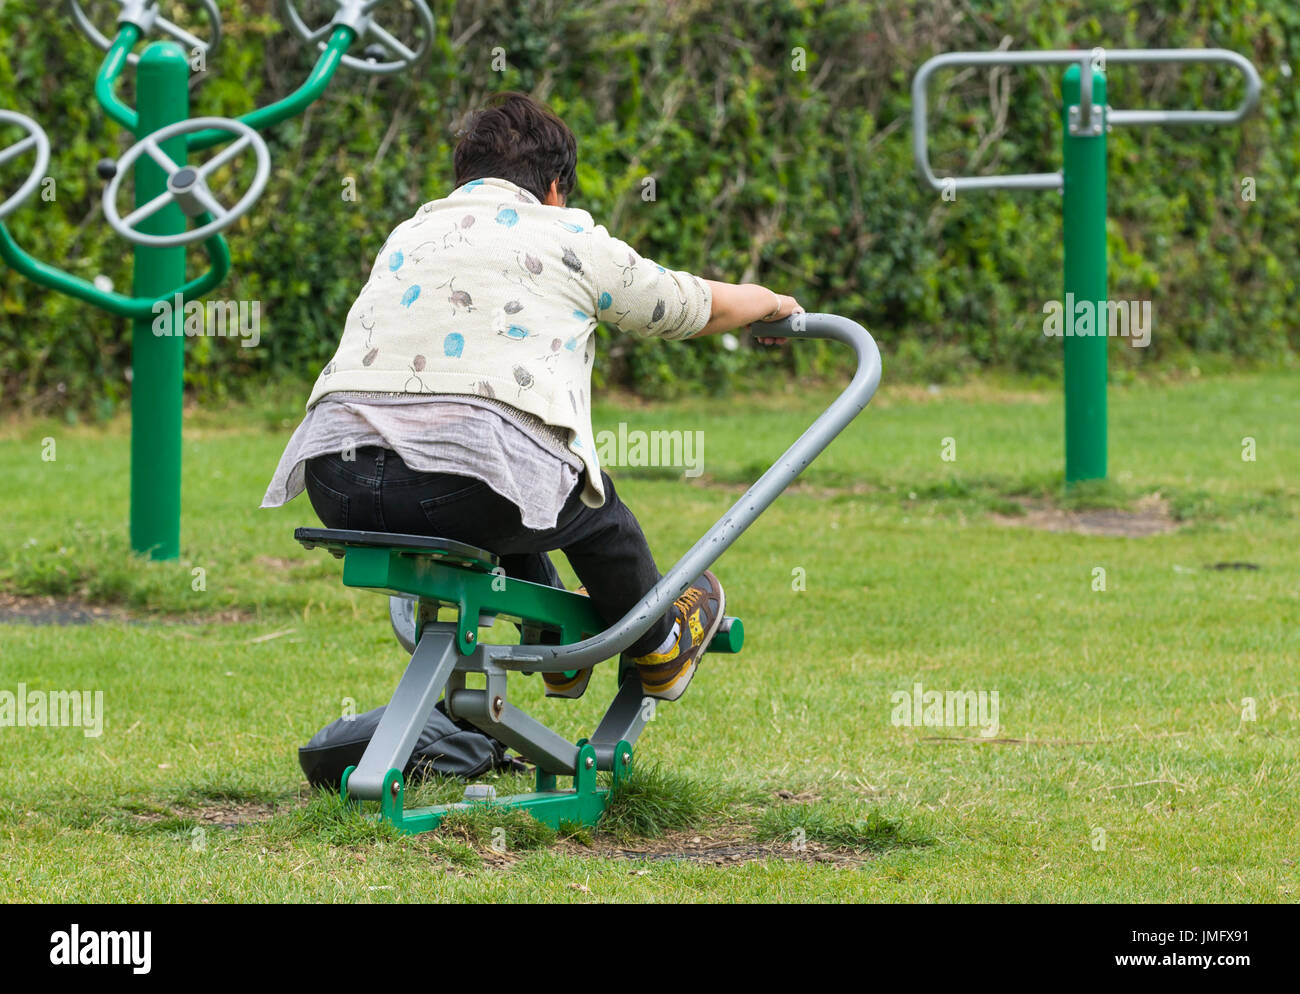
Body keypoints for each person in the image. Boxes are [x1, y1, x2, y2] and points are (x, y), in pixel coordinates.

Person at [262, 91, 801, 702]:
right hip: (462, 488)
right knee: (593, 515)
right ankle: (661, 645)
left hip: (338, 484)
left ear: (464, 178)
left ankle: (548, 629)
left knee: (510, 472)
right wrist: (770, 301)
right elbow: (683, 306)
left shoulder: (408, 234)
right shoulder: (566, 235)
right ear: (553, 188)